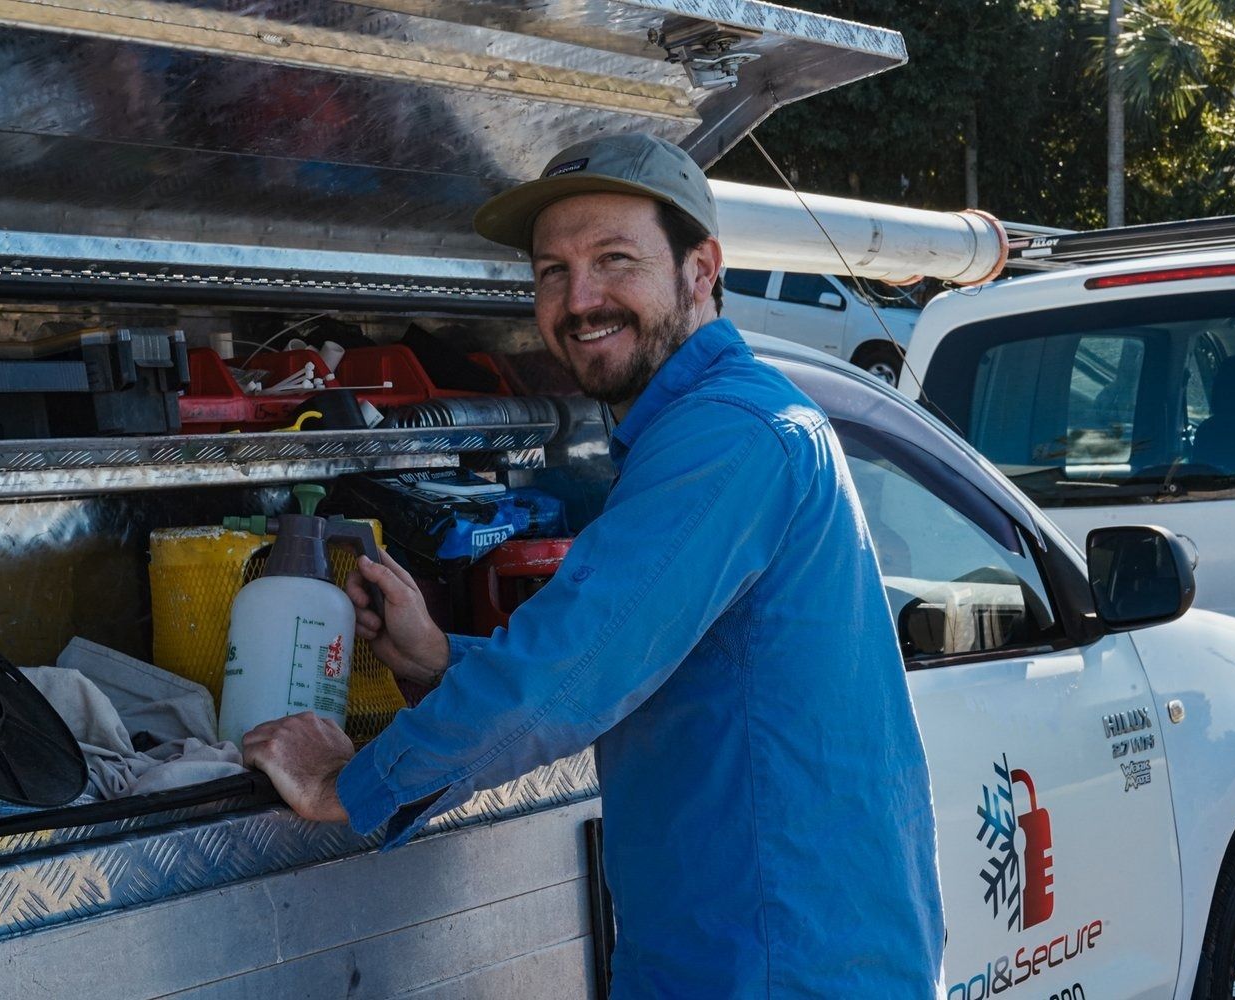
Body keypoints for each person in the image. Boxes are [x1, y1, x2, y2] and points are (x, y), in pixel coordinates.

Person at [243, 132, 945, 997]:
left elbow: (570, 668)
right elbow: (661, 673)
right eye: (551, 272)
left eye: (616, 260)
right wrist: (440, 658)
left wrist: (348, 784)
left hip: (771, 969)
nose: (580, 299)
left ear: (701, 270)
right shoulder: (731, 422)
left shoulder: (728, 435)